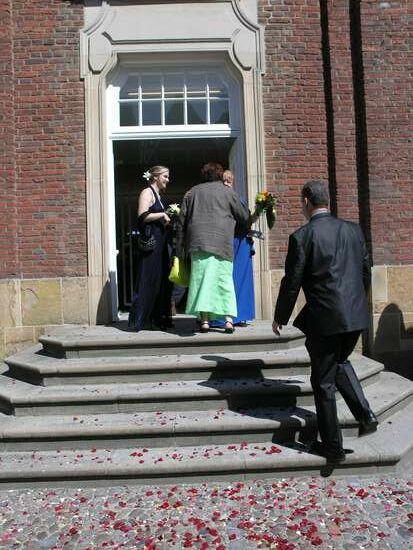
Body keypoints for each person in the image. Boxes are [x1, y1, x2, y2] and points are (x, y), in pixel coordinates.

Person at [272, 180, 378, 463]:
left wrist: (280, 316)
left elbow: (292, 282)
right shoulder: (353, 230)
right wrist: (356, 304)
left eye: (301, 202)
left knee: (323, 382)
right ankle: (365, 415)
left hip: (326, 320)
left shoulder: (302, 236)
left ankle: (333, 447)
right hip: (355, 315)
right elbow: (366, 271)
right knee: (340, 362)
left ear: (306, 200)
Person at [176, 162, 249, 333]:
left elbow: (181, 222)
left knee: (202, 281)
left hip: (198, 243)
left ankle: (205, 321)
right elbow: (244, 216)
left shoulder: (191, 192)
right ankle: (229, 321)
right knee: (224, 281)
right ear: (220, 175)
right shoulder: (227, 191)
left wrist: (180, 248)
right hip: (222, 243)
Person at [128, 165, 173, 331]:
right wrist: (162, 214)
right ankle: (141, 320)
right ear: (155, 177)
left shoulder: (158, 196)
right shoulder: (147, 192)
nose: (167, 180)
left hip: (160, 244)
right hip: (151, 245)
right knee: (147, 279)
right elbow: (142, 215)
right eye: (165, 176)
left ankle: (156, 319)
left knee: (159, 281)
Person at [211, 169, 256, 327]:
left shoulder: (238, 199)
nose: (227, 184)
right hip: (225, 241)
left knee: (240, 278)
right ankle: (219, 317)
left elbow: (247, 219)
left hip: (240, 242)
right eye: (224, 181)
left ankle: (240, 315)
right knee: (224, 278)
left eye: (229, 181)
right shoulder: (221, 199)